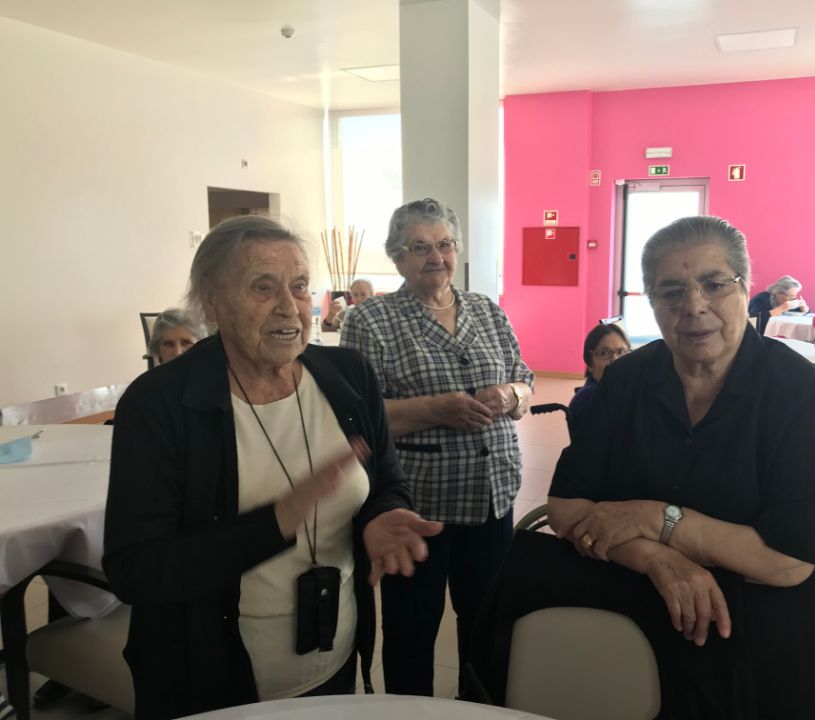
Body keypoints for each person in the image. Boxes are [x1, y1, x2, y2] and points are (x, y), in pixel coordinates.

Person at [103, 216, 442, 720]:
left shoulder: (348, 376)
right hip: (208, 685)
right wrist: (277, 521)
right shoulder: (158, 403)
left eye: (300, 286)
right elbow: (136, 573)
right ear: (211, 302)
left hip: (334, 661)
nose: (289, 307)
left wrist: (380, 517)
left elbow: (386, 483)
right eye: (263, 287)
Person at [549, 216, 815, 718]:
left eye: (714, 284)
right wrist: (658, 559)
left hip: (780, 630)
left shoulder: (800, 393)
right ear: (652, 302)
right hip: (649, 611)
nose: (694, 306)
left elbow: (789, 561)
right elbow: (566, 506)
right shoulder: (627, 380)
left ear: (746, 288)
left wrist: (657, 518)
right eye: (671, 291)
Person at [339, 198, 534, 697]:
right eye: (420, 247)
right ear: (396, 257)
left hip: (492, 497)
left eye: (444, 244)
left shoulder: (486, 310)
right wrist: (434, 410)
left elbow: (525, 380)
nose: (436, 257)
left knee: (486, 623)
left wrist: (511, 395)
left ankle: (478, 707)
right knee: (412, 628)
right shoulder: (372, 320)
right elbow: (356, 417)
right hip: (418, 505)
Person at [569, 323, 630, 420]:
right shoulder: (591, 398)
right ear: (589, 363)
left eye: (621, 352)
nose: (615, 360)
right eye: (604, 353)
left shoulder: (618, 391)